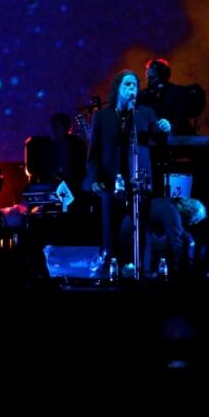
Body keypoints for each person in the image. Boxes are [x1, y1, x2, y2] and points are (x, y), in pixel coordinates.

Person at [86, 70, 172, 272]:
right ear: (117, 88)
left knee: (141, 228)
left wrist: (165, 129)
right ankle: (111, 270)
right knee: (111, 229)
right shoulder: (102, 116)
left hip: (140, 181)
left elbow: (159, 140)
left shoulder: (145, 113)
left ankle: (142, 271)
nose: (132, 88)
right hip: (110, 181)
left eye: (134, 84)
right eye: (127, 84)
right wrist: (95, 179)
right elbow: (93, 153)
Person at [118, 197, 205, 278]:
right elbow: (177, 242)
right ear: (190, 212)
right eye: (196, 220)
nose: (194, 223)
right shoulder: (172, 212)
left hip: (131, 227)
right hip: (132, 232)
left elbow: (180, 231)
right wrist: (185, 271)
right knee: (146, 269)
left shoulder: (171, 204)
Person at [140, 58, 206, 136]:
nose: (146, 72)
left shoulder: (177, 92)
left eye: (149, 69)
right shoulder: (144, 95)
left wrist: (171, 126)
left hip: (176, 138)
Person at [49, 112, 87, 194]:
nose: (56, 130)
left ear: (66, 127)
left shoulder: (77, 144)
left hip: (75, 184)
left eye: (58, 126)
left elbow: (82, 165)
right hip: (58, 183)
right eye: (54, 127)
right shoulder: (52, 146)